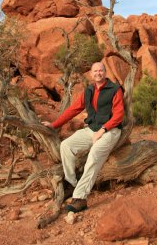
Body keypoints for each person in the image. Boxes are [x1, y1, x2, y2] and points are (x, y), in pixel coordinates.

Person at [42, 61, 125, 213]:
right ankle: (72, 183)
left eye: (101, 71)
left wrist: (103, 129)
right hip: (92, 129)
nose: (98, 73)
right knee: (66, 146)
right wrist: (54, 125)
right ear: (91, 74)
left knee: (93, 156)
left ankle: (80, 198)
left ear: (105, 73)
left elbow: (119, 115)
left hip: (110, 131)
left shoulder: (114, 89)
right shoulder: (89, 90)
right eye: (95, 71)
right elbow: (73, 110)